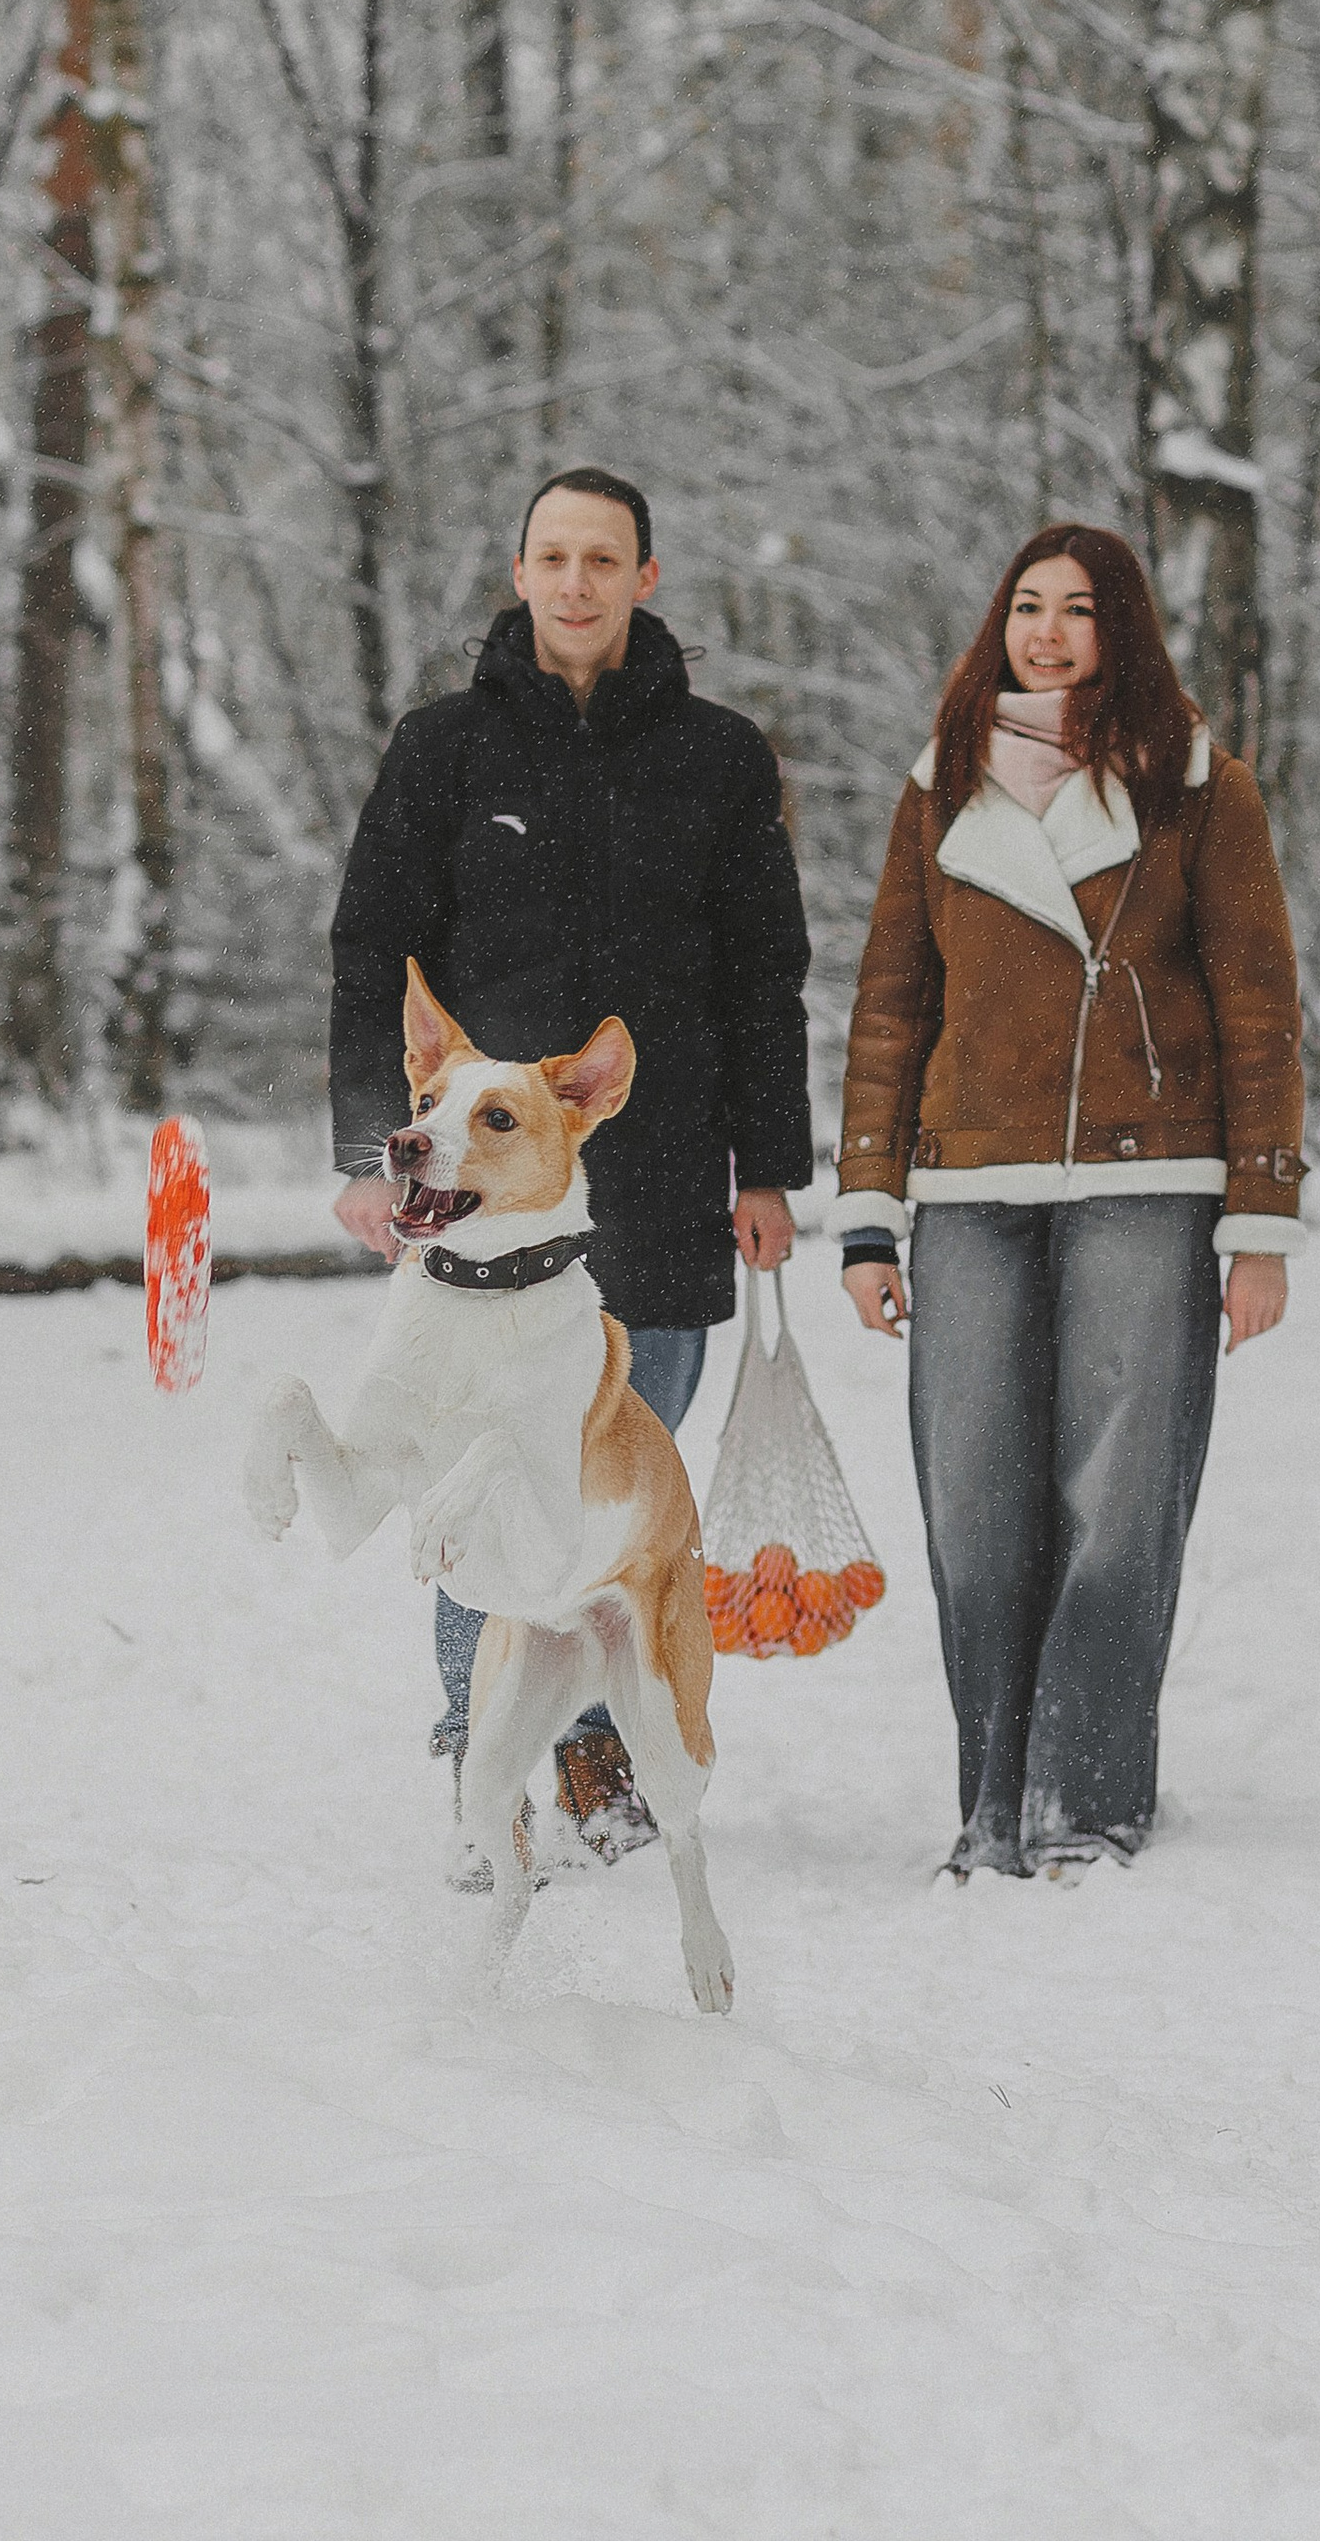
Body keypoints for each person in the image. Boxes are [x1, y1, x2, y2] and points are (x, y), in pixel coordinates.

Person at [329, 467, 815, 1857]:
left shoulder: (720, 759)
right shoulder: (444, 750)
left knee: (609, 1491)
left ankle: (601, 1761)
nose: (578, 581)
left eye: (605, 558)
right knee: (476, 1474)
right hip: (477, 1203)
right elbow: (374, 951)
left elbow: (763, 974)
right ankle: (476, 1761)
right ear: (521, 569)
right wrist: (373, 1152)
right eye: (554, 555)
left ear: (646, 577)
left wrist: (768, 1170)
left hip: (658, 1191)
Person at [834, 525, 1304, 1880]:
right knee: (972, 1495)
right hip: (969, 1184)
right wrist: (869, 1213)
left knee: (1119, 1495)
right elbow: (889, 1008)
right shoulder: (941, 787)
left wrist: (1259, 1224)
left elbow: (1261, 1011)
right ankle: (990, 1801)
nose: (1046, 633)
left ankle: (1086, 1801)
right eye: (1026, 607)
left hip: (1148, 1183)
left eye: (1078, 611)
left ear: (1123, 631)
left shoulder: (1201, 788)